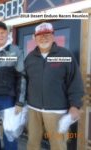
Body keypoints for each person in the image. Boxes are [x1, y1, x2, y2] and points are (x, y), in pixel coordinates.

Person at [24, 22, 84, 150]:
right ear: (34, 38)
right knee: (32, 143)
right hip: (33, 109)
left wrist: (75, 105)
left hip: (56, 110)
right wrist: (20, 103)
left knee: (58, 145)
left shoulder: (65, 55)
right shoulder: (29, 58)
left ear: (53, 36)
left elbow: (75, 82)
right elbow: (24, 81)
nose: (43, 37)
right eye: (40, 35)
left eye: (47, 34)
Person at [0, 21, 26, 150]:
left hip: (8, 99)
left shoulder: (16, 51)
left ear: (7, 34)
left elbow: (22, 76)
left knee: (10, 133)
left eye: (2, 32)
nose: (0, 35)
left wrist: (20, 102)